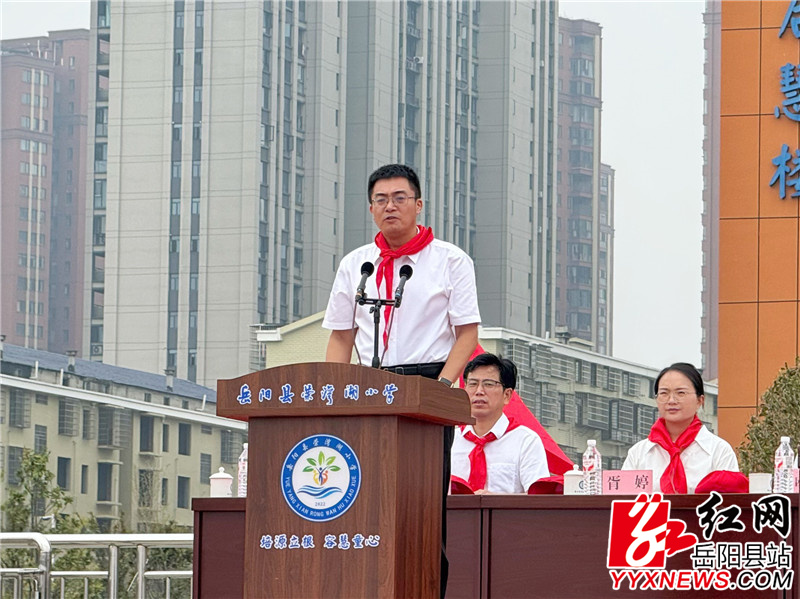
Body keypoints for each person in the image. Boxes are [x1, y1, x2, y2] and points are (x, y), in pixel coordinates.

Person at [323, 163, 480, 597]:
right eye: (381, 199)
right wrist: (334, 394)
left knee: (422, 507)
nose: (390, 206)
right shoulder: (356, 264)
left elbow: (467, 334)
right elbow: (341, 337)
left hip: (429, 388)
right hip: (370, 390)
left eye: (399, 198)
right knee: (364, 503)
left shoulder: (450, 260)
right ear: (370, 208)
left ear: (418, 204)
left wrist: (441, 390)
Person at [622, 362, 739, 494]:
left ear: (700, 401)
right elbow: (622, 500)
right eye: (664, 393)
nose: (671, 400)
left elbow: (730, 501)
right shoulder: (639, 453)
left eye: (681, 393)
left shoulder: (719, 451)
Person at [451, 353, 549, 494]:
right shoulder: (449, 440)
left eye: (488, 384)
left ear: (507, 395)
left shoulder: (526, 441)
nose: (479, 391)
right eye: (472, 384)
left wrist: (495, 500)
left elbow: (537, 498)